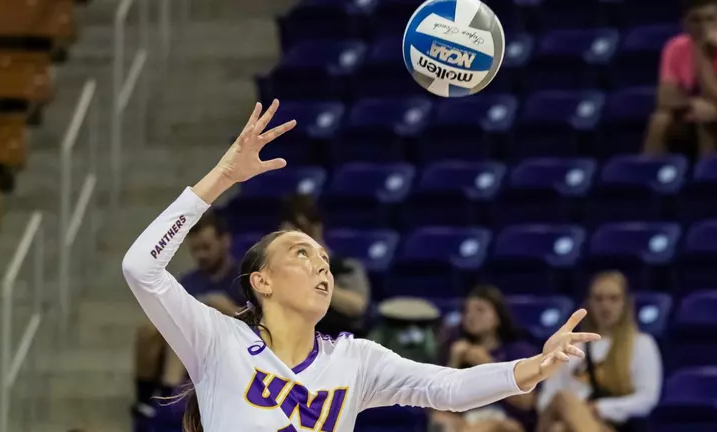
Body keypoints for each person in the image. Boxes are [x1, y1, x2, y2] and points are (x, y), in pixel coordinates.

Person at [122, 99, 601, 432]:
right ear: (260, 282)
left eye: (325, 258)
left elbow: (448, 387)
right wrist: (223, 177)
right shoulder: (217, 340)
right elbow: (141, 268)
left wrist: (534, 367)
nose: (322, 267)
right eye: (301, 254)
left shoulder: (355, 360)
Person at [133, 211, 242, 413]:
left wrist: (224, 308)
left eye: (207, 247)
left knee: (199, 314)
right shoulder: (187, 282)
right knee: (149, 329)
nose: (201, 255)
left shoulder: (242, 278)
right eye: (195, 249)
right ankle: (145, 402)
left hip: (228, 348)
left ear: (225, 241)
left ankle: (167, 397)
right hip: (187, 351)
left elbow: (256, 326)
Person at [536, 272, 663, 432]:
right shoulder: (571, 344)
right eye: (598, 299)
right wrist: (577, 410)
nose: (605, 306)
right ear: (589, 304)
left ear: (625, 303)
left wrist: (600, 408)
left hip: (611, 424)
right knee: (562, 406)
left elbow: (647, 399)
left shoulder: (642, 344)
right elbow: (546, 397)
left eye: (613, 299)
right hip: (563, 415)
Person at [432, 286, 539, 432]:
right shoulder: (454, 350)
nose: (471, 316)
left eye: (480, 310)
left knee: (491, 425)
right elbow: (440, 406)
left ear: (497, 317)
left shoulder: (517, 351)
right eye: (467, 311)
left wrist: (487, 364)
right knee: (441, 420)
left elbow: (526, 402)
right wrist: (454, 364)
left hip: (506, 421)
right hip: (466, 420)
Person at [279, 193, 371, 337]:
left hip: (337, 343)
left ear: (316, 227)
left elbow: (357, 306)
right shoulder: (278, 269)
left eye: (299, 230)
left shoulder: (344, 266)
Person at [643, 0, 717, 158]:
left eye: (711, 19)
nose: (703, 26)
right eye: (696, 20)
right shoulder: (675, 47)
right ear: (685, 24)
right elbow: (665, 97)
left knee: (706, 119)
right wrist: (692, 103)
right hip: (692, 112)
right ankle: (645, 172)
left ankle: (706, 175)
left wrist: (702, 55)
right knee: (660, 120)